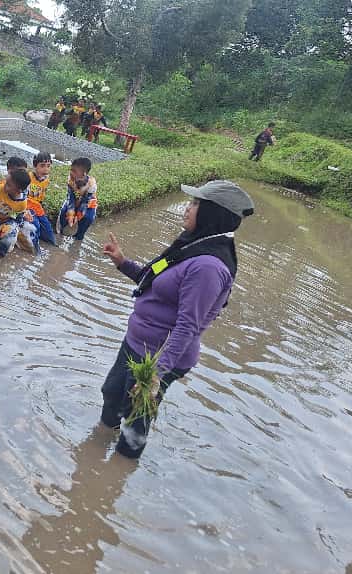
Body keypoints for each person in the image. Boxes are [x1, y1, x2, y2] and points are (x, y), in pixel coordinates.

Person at [99, 180, 255, 458]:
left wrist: (156, 376)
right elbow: (152, 278)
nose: (187, 208)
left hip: (156, 358)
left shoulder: (208, 266)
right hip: (136, 344)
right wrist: (123, 262)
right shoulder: (191, 246)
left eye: (195, 204)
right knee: (112, 395)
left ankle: (116, 474)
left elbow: (187, 326)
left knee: (135, 425)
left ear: (212, 214)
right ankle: (96, 450)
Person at [21, 152, 56, 251]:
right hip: (27, 206)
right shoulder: (28, 177)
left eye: (48, 166)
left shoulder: (46, 180)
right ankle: (34, 248)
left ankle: (53, 246)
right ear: (35, 166)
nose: (46, 169)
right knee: (35, 225)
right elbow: (21, 196)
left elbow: (41, 197)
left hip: (37, 207)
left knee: (48, 230)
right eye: (42, 166)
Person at [58, 157, 98, 240]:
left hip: (88, 205)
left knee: (88, 218)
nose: (71, 172)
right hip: (75, 200)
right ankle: (62, 232)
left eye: (74, 171)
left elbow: (85, 203)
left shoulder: (92, 185)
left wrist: (77, 217)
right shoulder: (70, 179)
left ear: (83, 174)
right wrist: (71, 212)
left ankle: (79, 237)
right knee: (63, 212)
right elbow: (70, 197)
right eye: (71, 169)